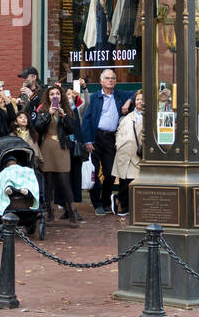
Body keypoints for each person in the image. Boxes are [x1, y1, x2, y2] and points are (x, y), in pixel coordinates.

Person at [78, 68, 137, 216]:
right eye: (107, 78)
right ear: (101, 81)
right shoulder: (94, 97)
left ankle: (106, 202)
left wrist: (128, 101)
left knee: (111, 173)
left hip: (111, 138)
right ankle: (97, 203)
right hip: (95, 137)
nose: (110, 80)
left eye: (113, 78)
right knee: (94, 173)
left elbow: (137, 92)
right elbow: (86, 120)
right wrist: (88, 141)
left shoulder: (119, 95)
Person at [37, 84, 82, 225]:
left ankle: (72, 213)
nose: (54, 96)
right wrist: (48, 114)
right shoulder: (43, 110)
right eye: (52, 94)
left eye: (57, 93)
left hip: (62, 147)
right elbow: (38, 126)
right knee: (48, 182)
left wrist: (64, 117)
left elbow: (72, 129)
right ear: (48, 96)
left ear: (61, 96)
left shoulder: (67, 110)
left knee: (64, 181)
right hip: (47, 146)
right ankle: (50, 214)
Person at [111, 90, 144, 218]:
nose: (140, 101)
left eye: (142, 99)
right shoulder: (128, 117)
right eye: (138, 99)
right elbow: (119, 132)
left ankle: (119, 200)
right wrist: (118, 145)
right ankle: (124, 206)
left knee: (133, 181)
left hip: (139, 154)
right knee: (126, 181)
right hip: (125, 153)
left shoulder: (151, 116)